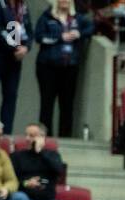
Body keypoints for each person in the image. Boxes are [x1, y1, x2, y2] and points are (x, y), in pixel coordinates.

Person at [33, 0, 92, 137]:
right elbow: (39, 36)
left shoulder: (77, 18)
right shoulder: (47, 17)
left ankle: (65, 137)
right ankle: (45, 138)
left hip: (69, 66)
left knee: (67, 105)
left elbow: (91, 27)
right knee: (47, 104)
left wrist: (79, 34)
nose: (65, 1)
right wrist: (60, 37)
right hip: (48, 66)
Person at [0, 0, 30, 132]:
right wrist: (15, 46)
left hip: (14, 60)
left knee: (10, 96)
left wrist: (26, 47)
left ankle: (6, 133)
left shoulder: (22, 6)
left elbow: (29, 30)